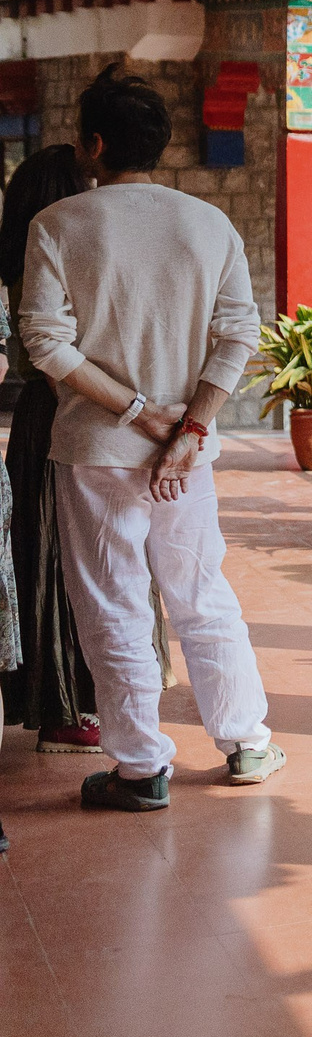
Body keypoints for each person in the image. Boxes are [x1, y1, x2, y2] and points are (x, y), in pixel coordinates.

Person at [20, 64, 278, 811]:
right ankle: (247, 740)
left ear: (92, 143)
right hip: (187, 455)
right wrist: (190, 425)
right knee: (201, 590)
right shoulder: (210, 225)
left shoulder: (59, 225)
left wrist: (138, 412)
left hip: (98, 450)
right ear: (161, 145)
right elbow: (238, 337)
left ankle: (139, 767)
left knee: (113, 601)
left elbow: (47, 344)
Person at [0, 146, 105, 753]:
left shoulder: (21, 261)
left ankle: (67, 699)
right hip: (66, 413)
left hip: (47, 417)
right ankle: (67, 706)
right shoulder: (43, 264)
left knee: (56, 558)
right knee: (65, 561)